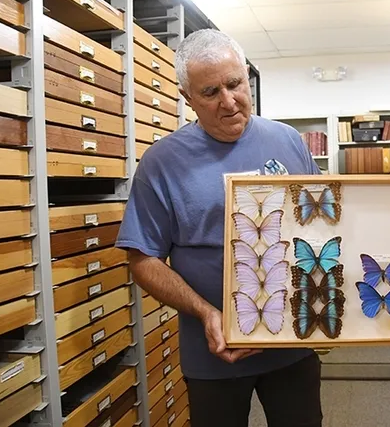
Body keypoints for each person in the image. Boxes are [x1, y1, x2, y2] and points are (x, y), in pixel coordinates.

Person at [115, 29, 323, 427]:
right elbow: (142, 259)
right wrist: (205, 312)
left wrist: (381, 214)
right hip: (214, 349)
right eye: (211, 92)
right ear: (187, 97)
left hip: (292, 341)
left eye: (235, 84)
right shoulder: (162, 162)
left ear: (246, 77)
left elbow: (322, 223)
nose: (229, 102)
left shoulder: (288, 141)